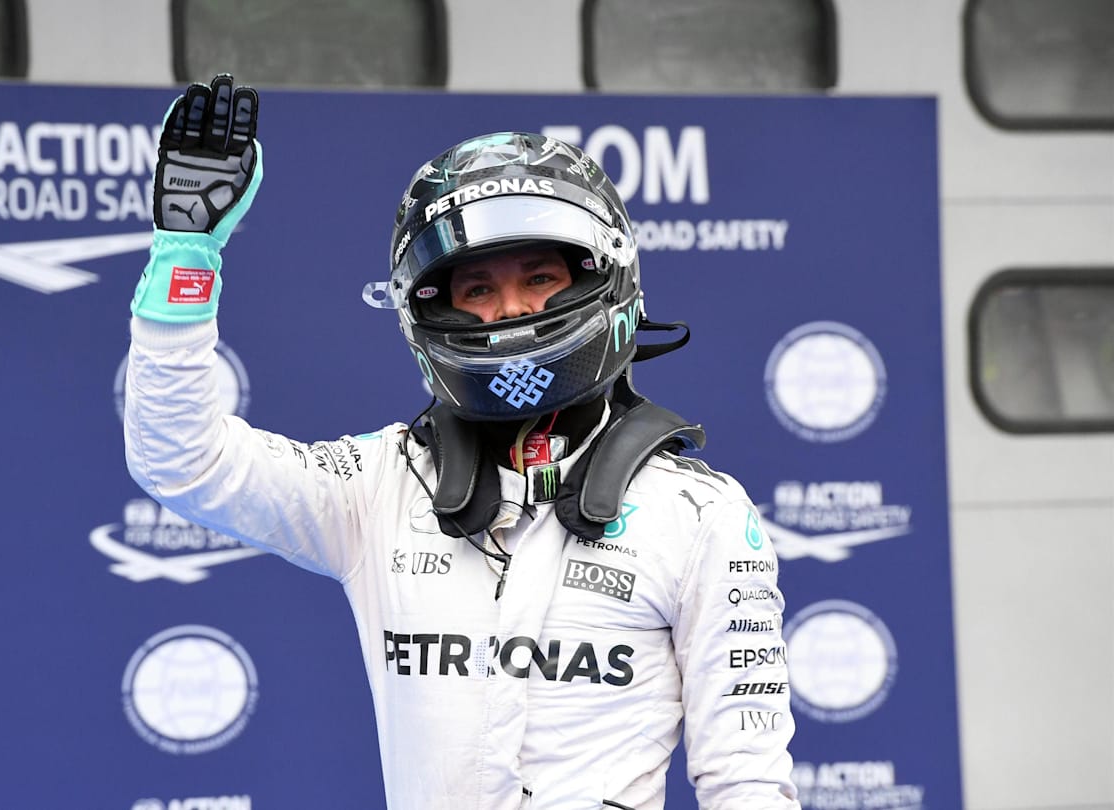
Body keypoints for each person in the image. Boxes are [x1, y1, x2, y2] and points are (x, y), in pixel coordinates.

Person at [125, 74, 800, 810]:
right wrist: (185, 258)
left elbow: (749, 783)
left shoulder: (699, 514)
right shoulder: (379, 486)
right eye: (476, 289)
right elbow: (185, 459)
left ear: (603, 279)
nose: (511, 309)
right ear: (428, 310)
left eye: (540, 277)